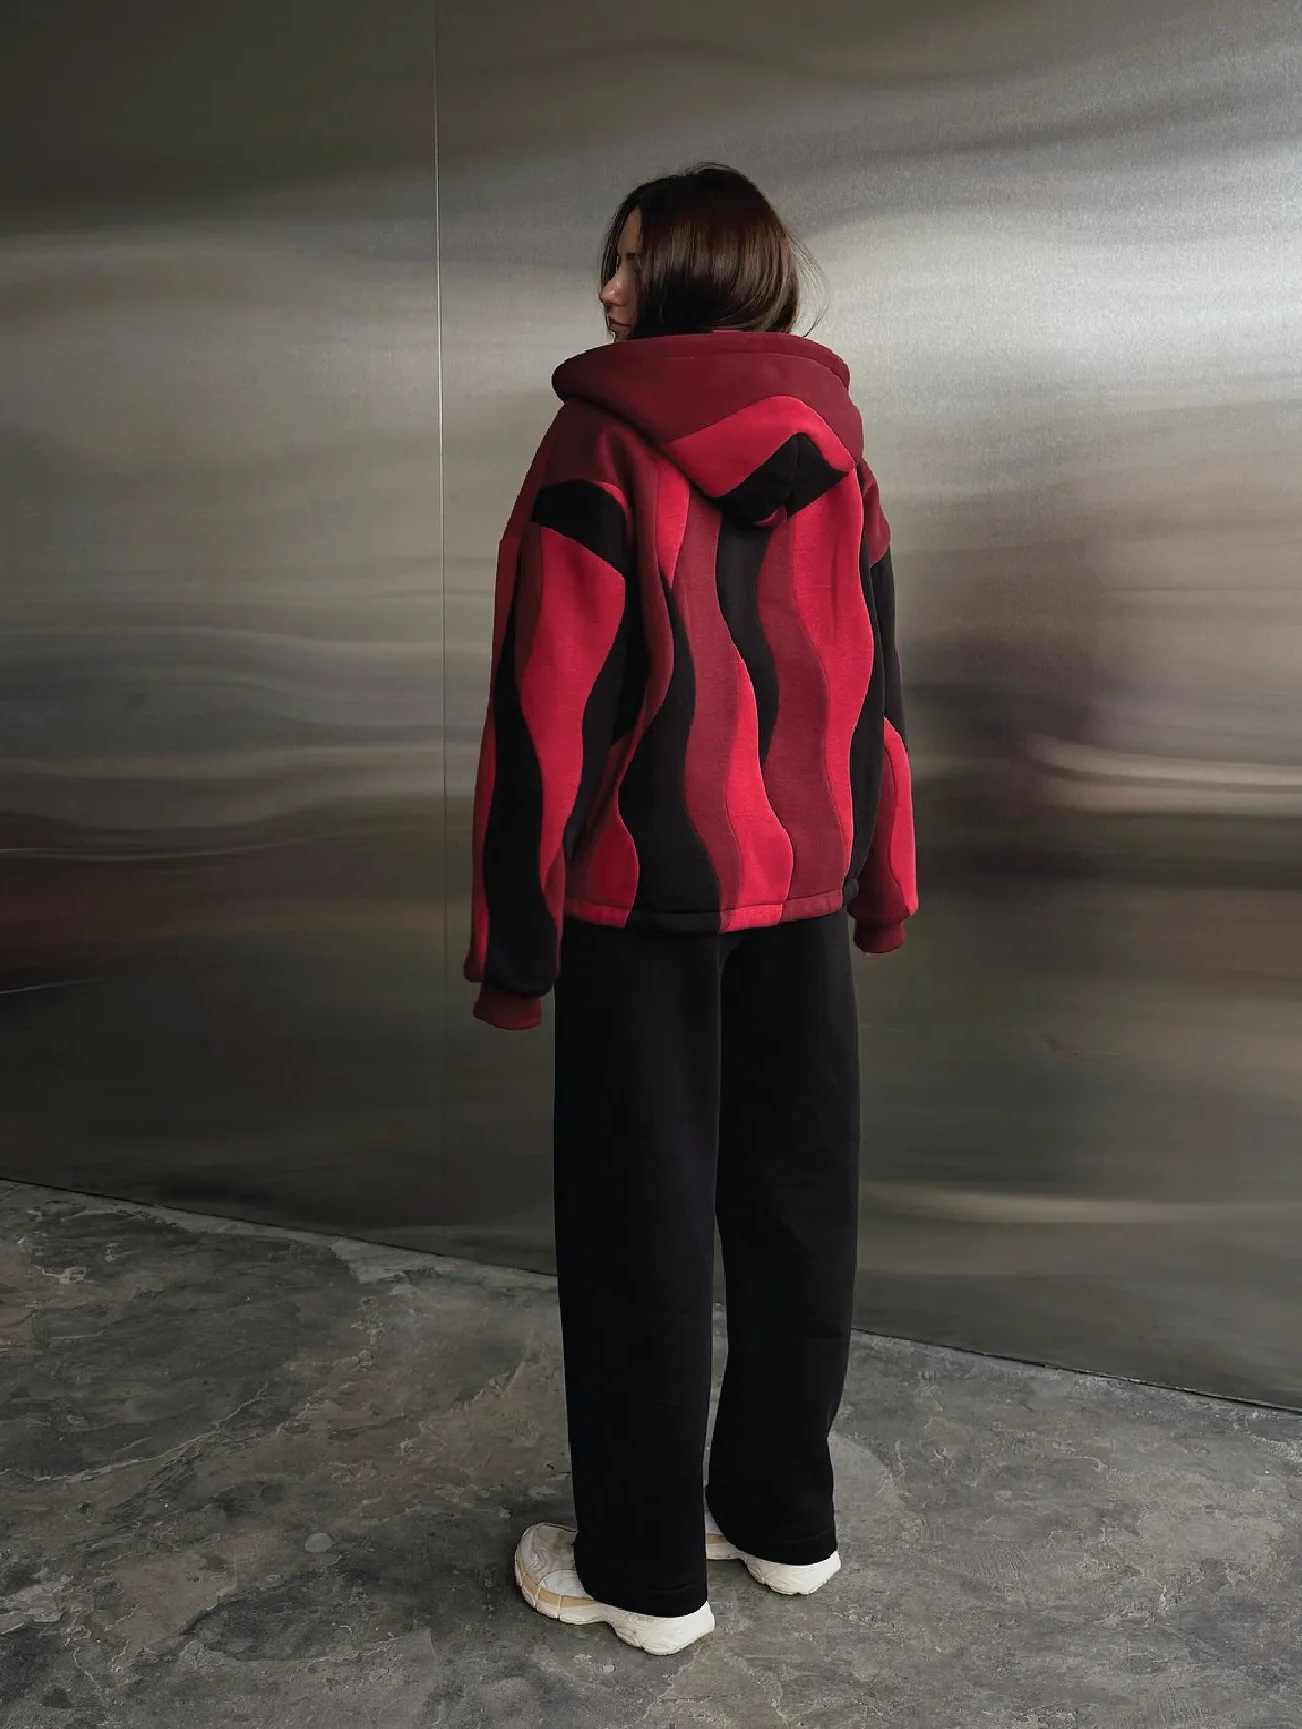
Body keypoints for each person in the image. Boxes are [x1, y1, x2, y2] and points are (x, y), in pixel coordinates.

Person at [464, 163, 917, 1656]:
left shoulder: (597, 442)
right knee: (797, 1207)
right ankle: (783, 1520)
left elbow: (549, 704)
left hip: (639, 900)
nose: (607, 290)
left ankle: (644, 1572)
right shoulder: (837, 448)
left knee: (636, 1232)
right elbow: (875, 685)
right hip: (798, 889)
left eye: (631, 261)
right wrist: (882, 881)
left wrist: (516, 946)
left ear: (696, 271)